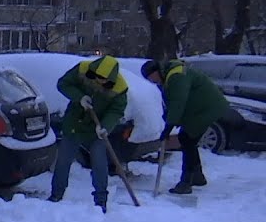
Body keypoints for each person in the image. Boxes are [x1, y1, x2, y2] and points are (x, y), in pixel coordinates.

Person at [48, 55, 129, 213]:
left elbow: (116, 110)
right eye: (97, 77)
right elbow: (63, 84)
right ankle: (56, 195)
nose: (99, 81)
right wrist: (80, 98)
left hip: (96, 129)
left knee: (99, 163)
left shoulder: (119, 88)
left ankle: (101, 200)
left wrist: (105, 126)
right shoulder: (82, 69)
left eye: (104, 79)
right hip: (74, 124)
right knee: (63, 161)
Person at [141, 59, 229, 194]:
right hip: (200, 109)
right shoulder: (167, 77)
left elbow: (178, 102)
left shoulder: (176, 76)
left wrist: (169, 126)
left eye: (151, 77)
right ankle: (197, 176)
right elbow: (170, 102)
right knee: (188, 141)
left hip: (207, 109)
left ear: (156, 71)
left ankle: (186, 182)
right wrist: (168, 118)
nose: (151, 81)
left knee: (187, 140)